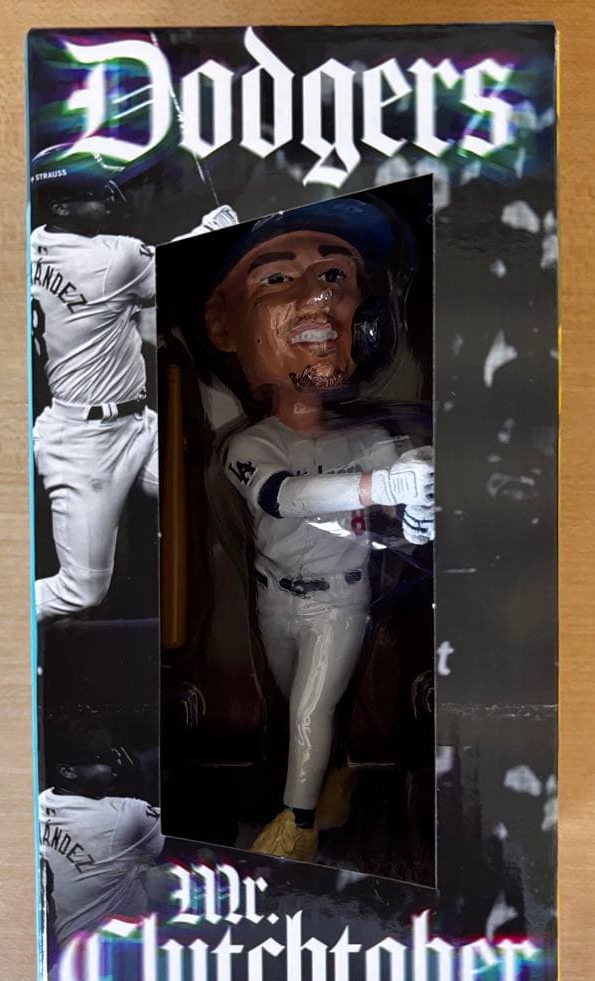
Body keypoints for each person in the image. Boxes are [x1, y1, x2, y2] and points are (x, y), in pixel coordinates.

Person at [204, 197, 435, 860]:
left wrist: (419, 494)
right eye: (278, 278)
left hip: (341, 599)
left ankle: (295, 829)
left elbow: (413, 527)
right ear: (223, 324)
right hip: (275, 597)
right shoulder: (251, 443)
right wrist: (382, 487)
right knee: (298, 708)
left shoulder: (371, 440)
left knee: (309, 711)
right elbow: (283, 498)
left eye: (336, 276)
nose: (318, 298)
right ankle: (335, 780)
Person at [30, 145, 237, 622]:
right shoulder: (111, 258)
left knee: (217, 484)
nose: (110, 196)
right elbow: (185, 267)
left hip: (138, 425)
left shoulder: (32, 246)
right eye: (93, 193)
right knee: (80, 590)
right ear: (60, 207)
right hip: (85, 445)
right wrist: (217, 228)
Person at [40, 721, 164, 981]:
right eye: (103, 760)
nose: (115, 766)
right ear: (67, 771)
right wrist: (143, 777)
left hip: (60, 975)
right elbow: (198, 848)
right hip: (104, 977)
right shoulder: (123, 816)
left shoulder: (37, 806)